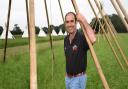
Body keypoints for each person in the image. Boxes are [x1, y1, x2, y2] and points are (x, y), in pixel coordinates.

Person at [64, 12, 96, 89]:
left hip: (78, 79)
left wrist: (83, 20)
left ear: (76, 23)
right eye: (67, 22)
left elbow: (93, 39)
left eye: (72, 21)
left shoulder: (82, 38)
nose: (70, 24)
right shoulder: (66, 39)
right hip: (68, 79)